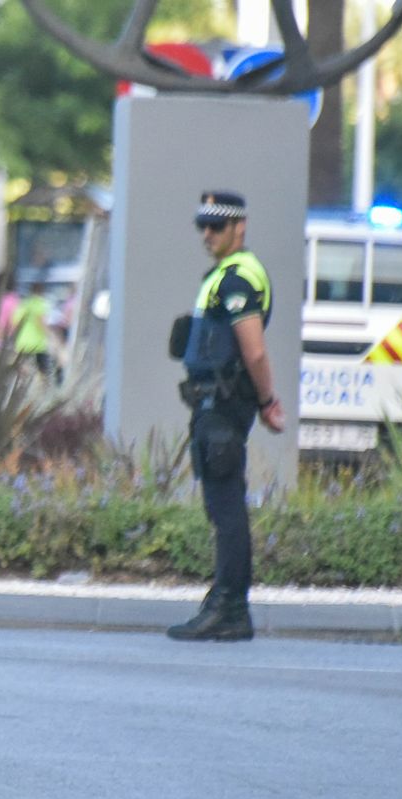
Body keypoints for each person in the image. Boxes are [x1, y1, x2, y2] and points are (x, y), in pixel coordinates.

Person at [167, 190, 284, 642]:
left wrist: (268, 399)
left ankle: (231, 608)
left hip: (225, 402)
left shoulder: (238, 278)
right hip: (213, 402)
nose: (208, 234)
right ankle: (224, 600)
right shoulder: (224, 274)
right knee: (221, 503)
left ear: (241, 226)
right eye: (203, 225)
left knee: (227, 505)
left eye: (218, 225)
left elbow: (253, 350)